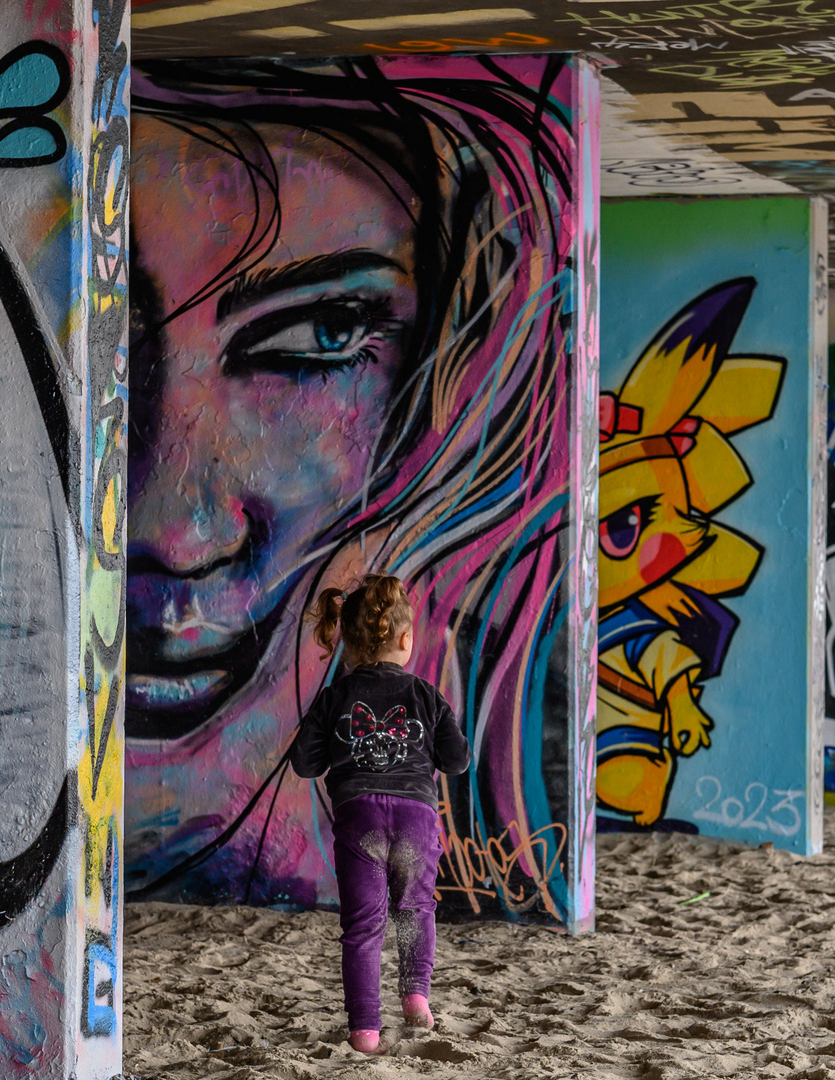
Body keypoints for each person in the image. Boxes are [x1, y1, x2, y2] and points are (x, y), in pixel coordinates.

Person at [122, 56, 583, 920]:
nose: (178, 534)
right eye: (105, 354)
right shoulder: (415, 700)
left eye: (323, 332)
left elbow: (311, 758)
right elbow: (444, 755)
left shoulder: (342, 702)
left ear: (445, 371)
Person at [291, 576, 468, 1053]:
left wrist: (326, 713)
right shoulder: (427, 695)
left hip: (359, 820)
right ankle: (415, 998)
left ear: (346, 641)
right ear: (408, 640)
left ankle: (365, 1032)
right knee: (415, 909)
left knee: (363, 925)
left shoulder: (335, 698)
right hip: (414, 818)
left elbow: (305, 764)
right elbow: (457, 760)